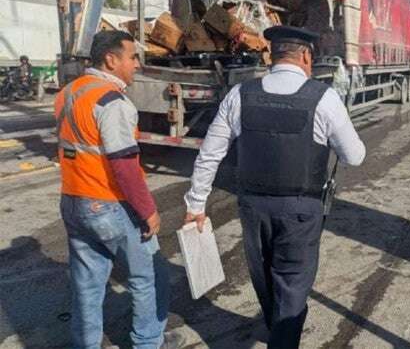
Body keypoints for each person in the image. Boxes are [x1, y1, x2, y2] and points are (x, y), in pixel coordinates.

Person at [184, 25, 366, 348]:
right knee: (293, 288)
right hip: (301, 212)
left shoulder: (240, 94)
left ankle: (277, 329)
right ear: (306, 56)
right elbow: (354, 156)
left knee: (265, 278)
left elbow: (210, 152)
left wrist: (195, 205)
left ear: (271, 54)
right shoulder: (324, 98)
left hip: (253, 209)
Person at [56, 31, 173, 348]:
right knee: (148, 276)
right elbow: (123, 165)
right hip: (109, 204)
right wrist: (147, 210)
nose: (137, 64)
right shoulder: (112, 101)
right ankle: (148, 342)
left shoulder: (70, 92)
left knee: (87, 285)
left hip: (73, 200)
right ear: (111, 59)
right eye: (133, 57)